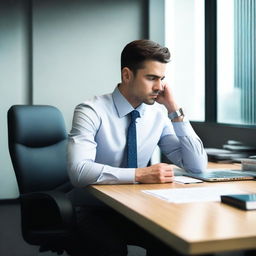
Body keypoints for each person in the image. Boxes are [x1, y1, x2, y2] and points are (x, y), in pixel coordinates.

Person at [67, 39, 207, 256]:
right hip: (95, 209)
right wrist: (140, 174)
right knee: (109, 250)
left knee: (178, 241)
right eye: (151, 78)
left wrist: (173, 108)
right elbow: (79, 172)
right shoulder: (90, 111)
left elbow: (197, 166)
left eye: (162, 79)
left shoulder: (158, 114)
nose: (159, 87)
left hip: (141, 208)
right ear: (127, 75)